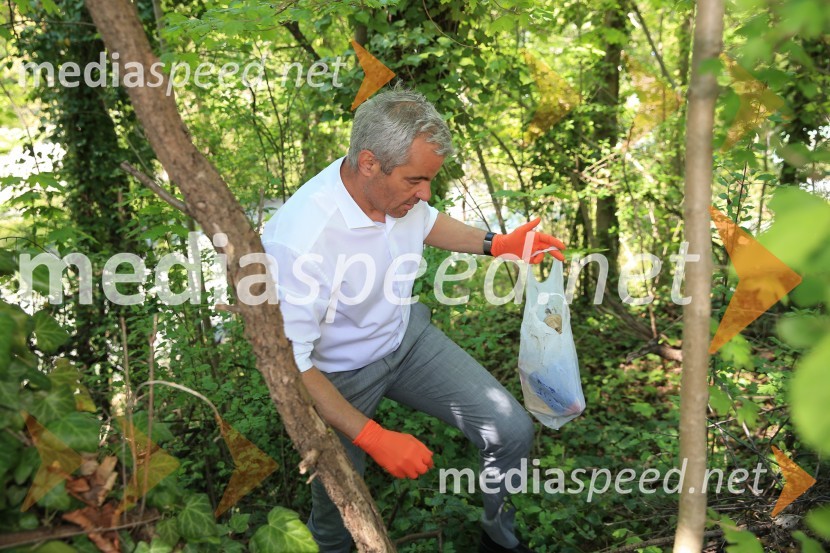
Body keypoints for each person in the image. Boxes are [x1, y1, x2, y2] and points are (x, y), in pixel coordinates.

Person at [262, 86, 565, 553]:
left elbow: (427, 221)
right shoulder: (300, 241)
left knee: (511, 430)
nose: (424, 194)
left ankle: (497, 535)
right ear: (368, 162)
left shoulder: (395, 194)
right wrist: (372, 436)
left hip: (405, 340)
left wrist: (497, 245)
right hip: (335, 375)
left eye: (428, 181)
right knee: (339, 513)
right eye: (415, 181)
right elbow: (292, 368)